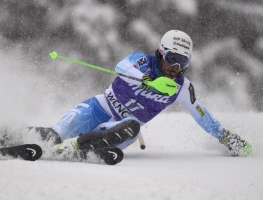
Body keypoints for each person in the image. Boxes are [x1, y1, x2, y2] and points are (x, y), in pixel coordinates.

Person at [40, 30, 251, 156]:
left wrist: (225, 137)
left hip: (122, 128)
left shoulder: (182, 87)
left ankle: (78, 146)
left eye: (182, 62)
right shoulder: (143, 62)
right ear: (160, 54)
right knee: (53, 134)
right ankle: (31, 138)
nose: (174, 67)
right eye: (171, 58)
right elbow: (121, 66)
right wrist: (146, 81)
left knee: (131, 126)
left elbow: (201, 115)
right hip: (99, 108)